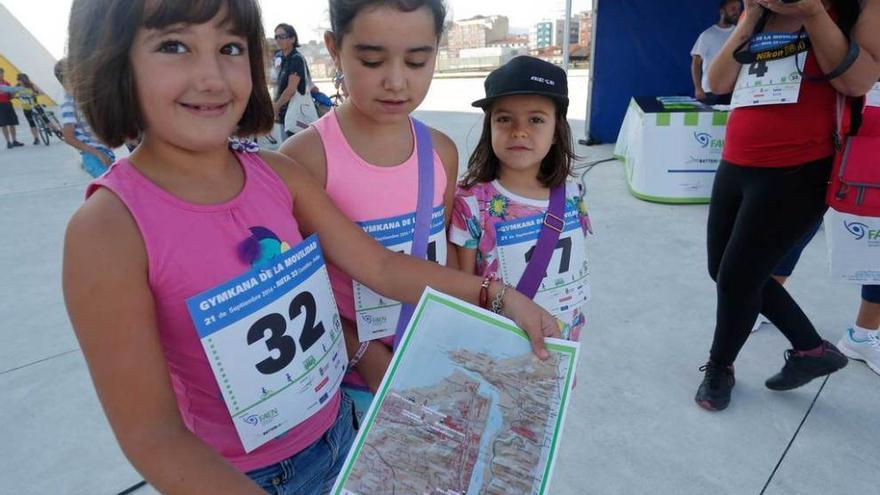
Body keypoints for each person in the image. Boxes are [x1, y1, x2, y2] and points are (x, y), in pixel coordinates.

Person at [61, 1, 558, 493]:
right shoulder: (108, 231)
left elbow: (381, 265)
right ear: (113, 60)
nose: (211, 76)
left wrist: (498, 296)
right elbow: (154, 437)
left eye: (230, 47)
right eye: (173, 46)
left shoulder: (277, 175)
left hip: (341, 430)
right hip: (242, 474)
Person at [695, 0, 880, 411]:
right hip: (737, 159)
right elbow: (717, 81)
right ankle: (811, 349)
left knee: (740, 277)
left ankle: (720, 366)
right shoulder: (759, 9)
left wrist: (813, 12)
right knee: (722, 269)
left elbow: (859, 81)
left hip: (800, 167)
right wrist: (751, 17)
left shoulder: (858, 7)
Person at [279, 0, 459, 419]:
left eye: (417, 61)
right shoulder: (304, 158)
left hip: (429, 369)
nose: (396, 82)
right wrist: (361, 351)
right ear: (334, 48)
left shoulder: (442, 153)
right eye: (372, 60)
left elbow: (441, 265)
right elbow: (293, 293)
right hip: (346, 387)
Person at [450, 55, 592, 344]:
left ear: (556, 130)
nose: (519, 130)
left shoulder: (573, 192)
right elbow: (462, 287)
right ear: (489, 126)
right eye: (504, 119)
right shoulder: (470, 202)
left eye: (536, 119)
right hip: (499, 347)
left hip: (562, 343)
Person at [54, 59, 115, 177]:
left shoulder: (81, 100)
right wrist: (96, 153)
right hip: (94, 157)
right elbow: (68, 137)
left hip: (104, 152)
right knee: (113, 191)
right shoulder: (68, 104)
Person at [691, 0, 743, 105]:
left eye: (738, 9)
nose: (736, 12)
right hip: (710, 92)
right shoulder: (707, 35)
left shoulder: (740, 34)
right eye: (733, 8)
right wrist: (698, 88)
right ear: (722, 11)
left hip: (734, 91)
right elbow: (696, 63)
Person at [272, 23, 312, 137]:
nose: (278, 40)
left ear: (292, 39)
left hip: (294, 112)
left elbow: (291, 89)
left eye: (282, 36)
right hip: (285, 113)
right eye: (276, 37)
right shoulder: (282, 58)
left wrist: (276, 106)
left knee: (293, 151)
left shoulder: (296, 59)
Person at [14, 73, 43, 145]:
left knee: (45, 119)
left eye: (19, 79)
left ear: (24, 80)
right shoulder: (17, 87)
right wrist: (16, 96)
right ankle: (36, 138)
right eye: (18, 79)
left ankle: (56, 130)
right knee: (31, 123)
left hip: (35, 105)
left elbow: (41, 92)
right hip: (26, 108)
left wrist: (35, 94)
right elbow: (13, 94)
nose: (18, 81)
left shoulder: (31, 85)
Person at [0, 68, 24, 148]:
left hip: (8, 104)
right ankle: (8, 142)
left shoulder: (7, 83)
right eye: (0, 73)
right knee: (3, 125)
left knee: (12, 123)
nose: (1, 75)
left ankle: (14, 141)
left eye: (2, 73)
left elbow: (11, 96)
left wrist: (14, 92)